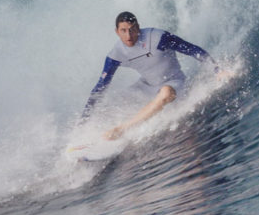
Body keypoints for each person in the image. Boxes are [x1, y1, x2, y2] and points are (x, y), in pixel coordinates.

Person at [81, 11, 218, 140]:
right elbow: (100, 87)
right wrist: (83, 123)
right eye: (123, 31)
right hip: (146, 85)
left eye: (132, 29)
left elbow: (192, 49)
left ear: (138, 28)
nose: (128, 36)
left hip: (174, 82)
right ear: (117, 32)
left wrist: (217, 69)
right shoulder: (116, 54)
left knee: (165, 93)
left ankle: (121, 130)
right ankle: (91, 137)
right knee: (113, 102)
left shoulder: (158, 37)